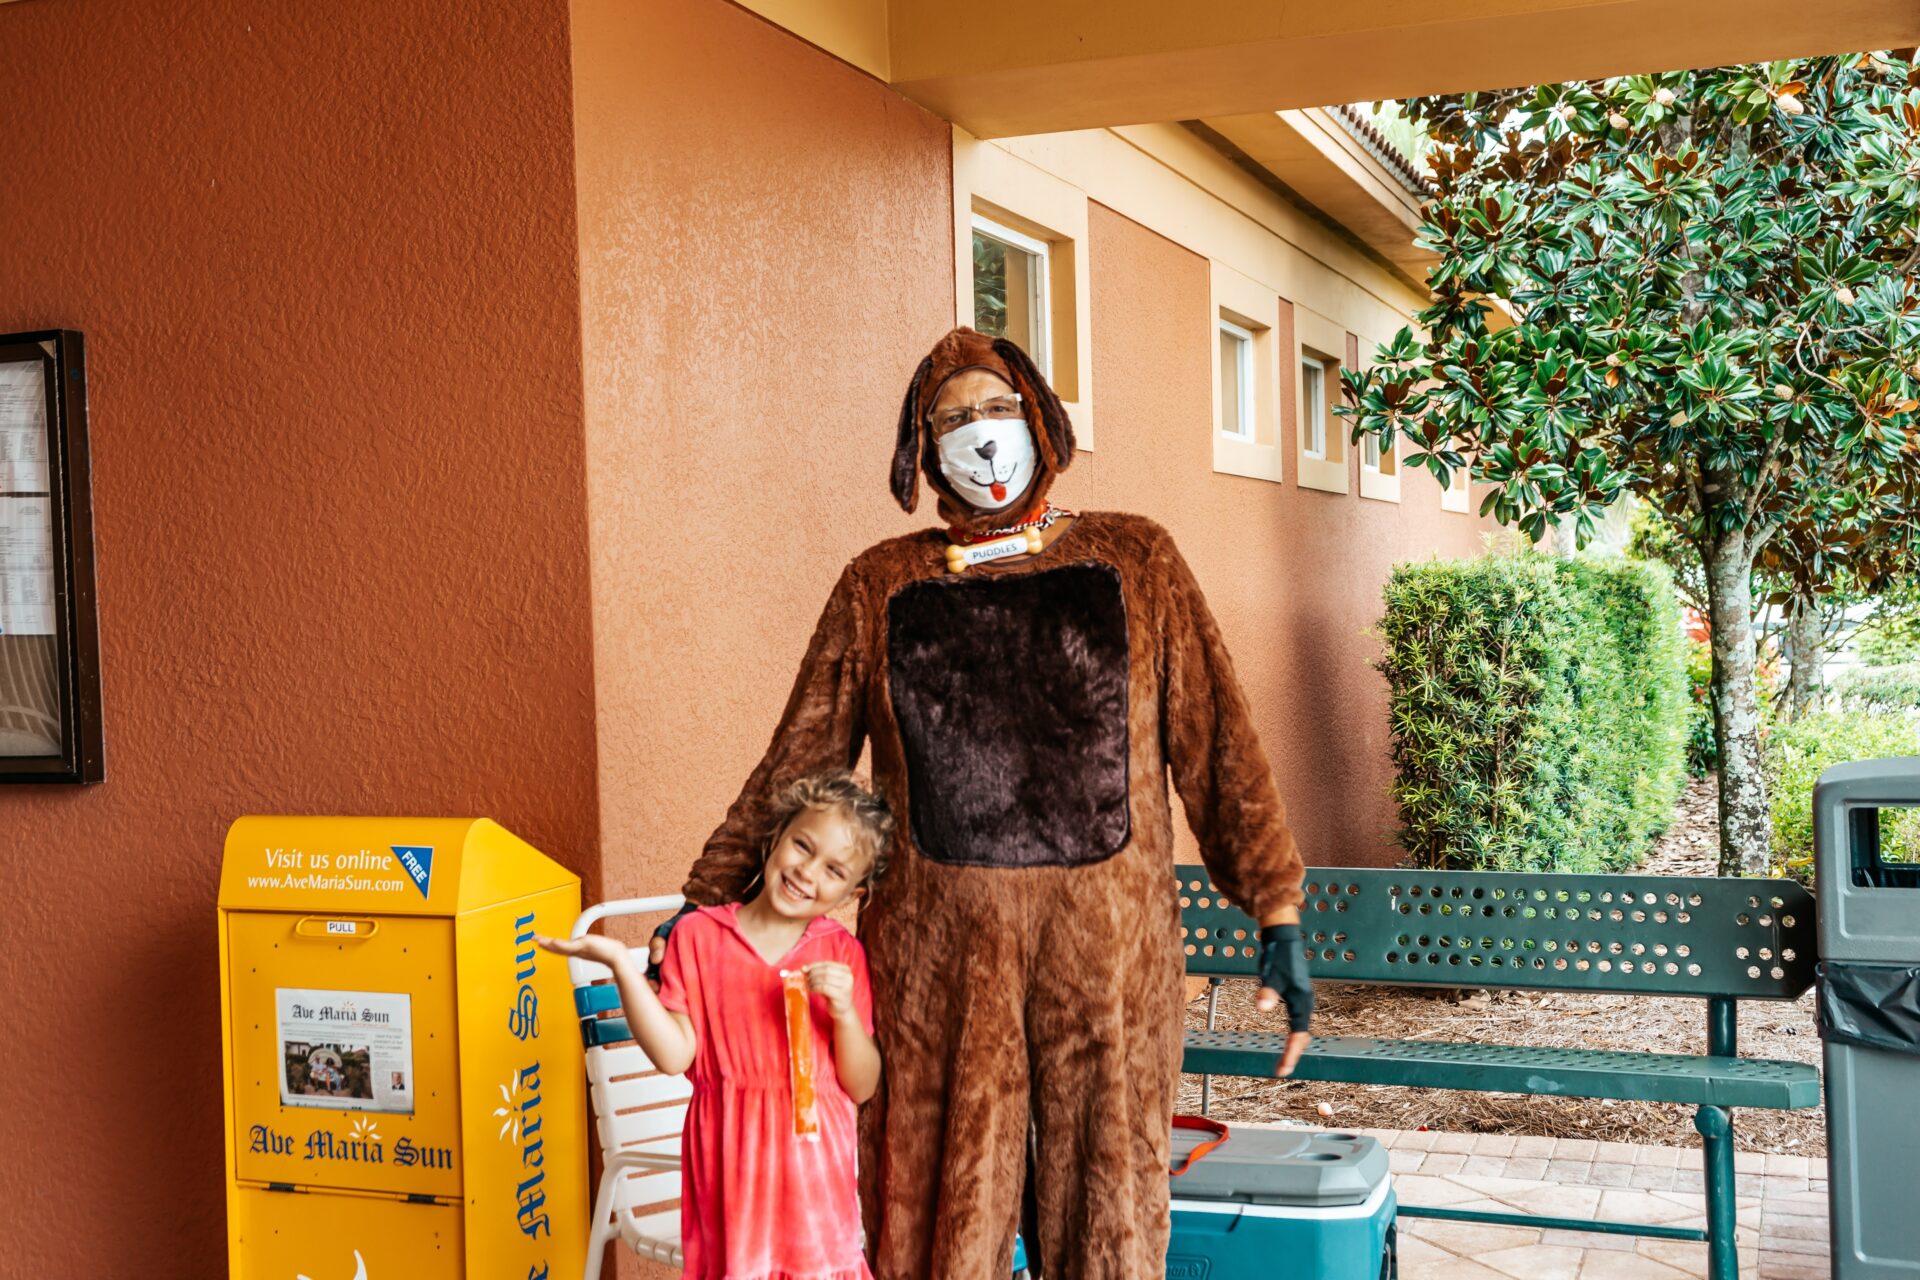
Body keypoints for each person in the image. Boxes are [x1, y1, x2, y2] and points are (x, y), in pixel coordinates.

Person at [653, 327, 1314, 1278]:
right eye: (954, 418)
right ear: (923, 451)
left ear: (1041, 420)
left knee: (1114, 1219)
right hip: (938, 971)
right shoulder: (879, 585)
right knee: (934, 1222)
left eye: (999, 408)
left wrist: (1279, 909)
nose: (983, 435)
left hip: (1109, 964)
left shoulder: (1138, 559)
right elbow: (799, 755)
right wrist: (705, 897)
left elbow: (1220, 745)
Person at [539, 771, 890, 1280]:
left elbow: (863, 1084)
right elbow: (674, 1055)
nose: (808, 872)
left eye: (834, 870)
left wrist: (844, 1013)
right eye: (802, 846)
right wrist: (620, 966)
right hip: (732, 1163)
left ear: (854, 892)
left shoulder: (841, 953)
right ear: (775, 838)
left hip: (815, 1173)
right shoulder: (699, 937)